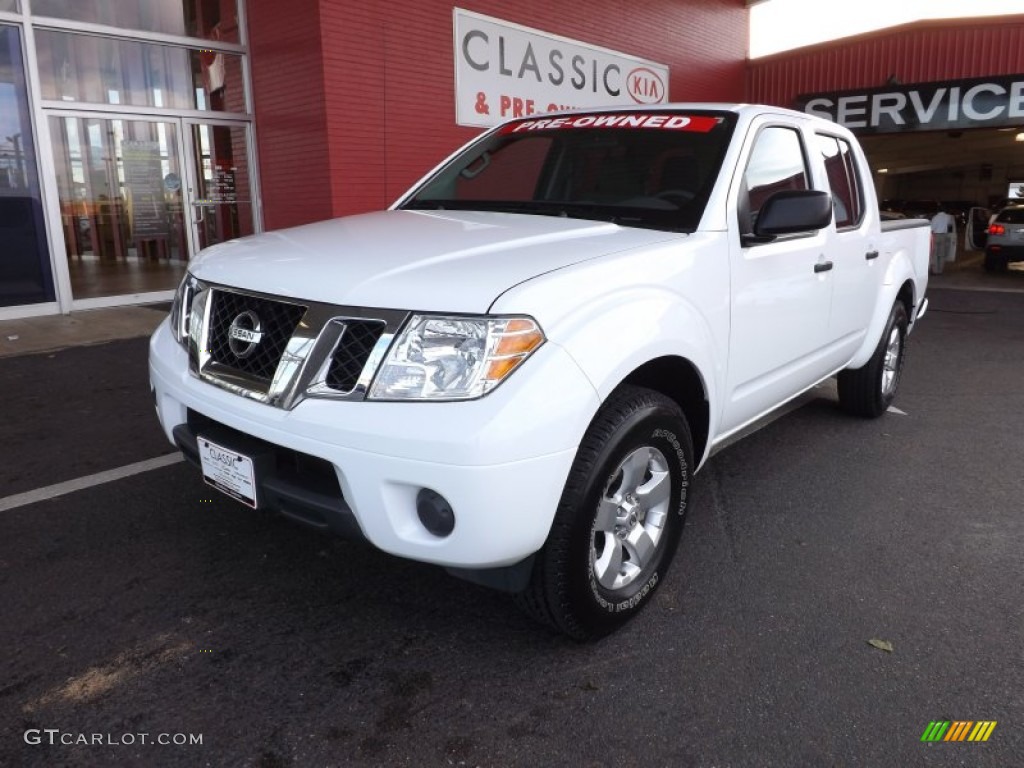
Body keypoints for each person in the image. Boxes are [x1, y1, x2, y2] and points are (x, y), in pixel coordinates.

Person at [930, 205, 956, 274]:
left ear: (937, 210)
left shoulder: (935, 217)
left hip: (936, 235)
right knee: (941, 254)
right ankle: (940, 270)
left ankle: (935, 271)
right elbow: (950, 224)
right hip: (944, 236)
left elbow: (932, 228)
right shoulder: (948, 217)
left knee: (935, 254)